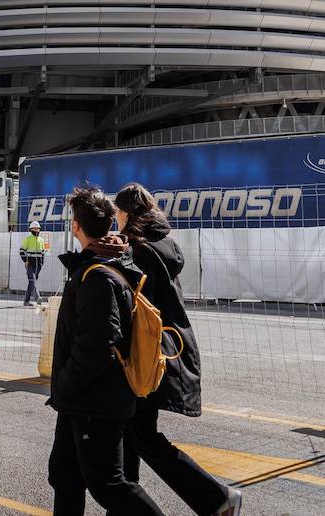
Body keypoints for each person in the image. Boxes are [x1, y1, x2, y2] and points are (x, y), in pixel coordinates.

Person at [114, 184, 243, 516]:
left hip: (147, 354)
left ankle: (216, 498)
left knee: (140, 436)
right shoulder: (164, 245)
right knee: (131, 433)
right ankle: (127, 508)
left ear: (127, 214)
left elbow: (135, 306)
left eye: (117, 213)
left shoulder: (138, 250)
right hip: (166, 347)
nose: (115, 219)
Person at [48, 185, 164, 516]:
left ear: (76, 226)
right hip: (81, 400)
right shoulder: (103, 267)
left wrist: (66, 384)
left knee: (108, 484)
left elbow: (97, 346)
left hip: (93, 401)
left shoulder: (98, 276)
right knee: (65, 475)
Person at [20, 220, 49, 306]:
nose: (36, 230)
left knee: (31, 282)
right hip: (30, 263)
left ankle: (26, 301)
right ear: (31, 229)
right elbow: (21, 251)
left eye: (38, 228)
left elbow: (43, 252)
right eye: (34, 228)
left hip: (38, 264)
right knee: (32, 280)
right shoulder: (27, 239)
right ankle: (37, 298)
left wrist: (42, 263)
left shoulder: (41, 240)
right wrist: (25, 260)